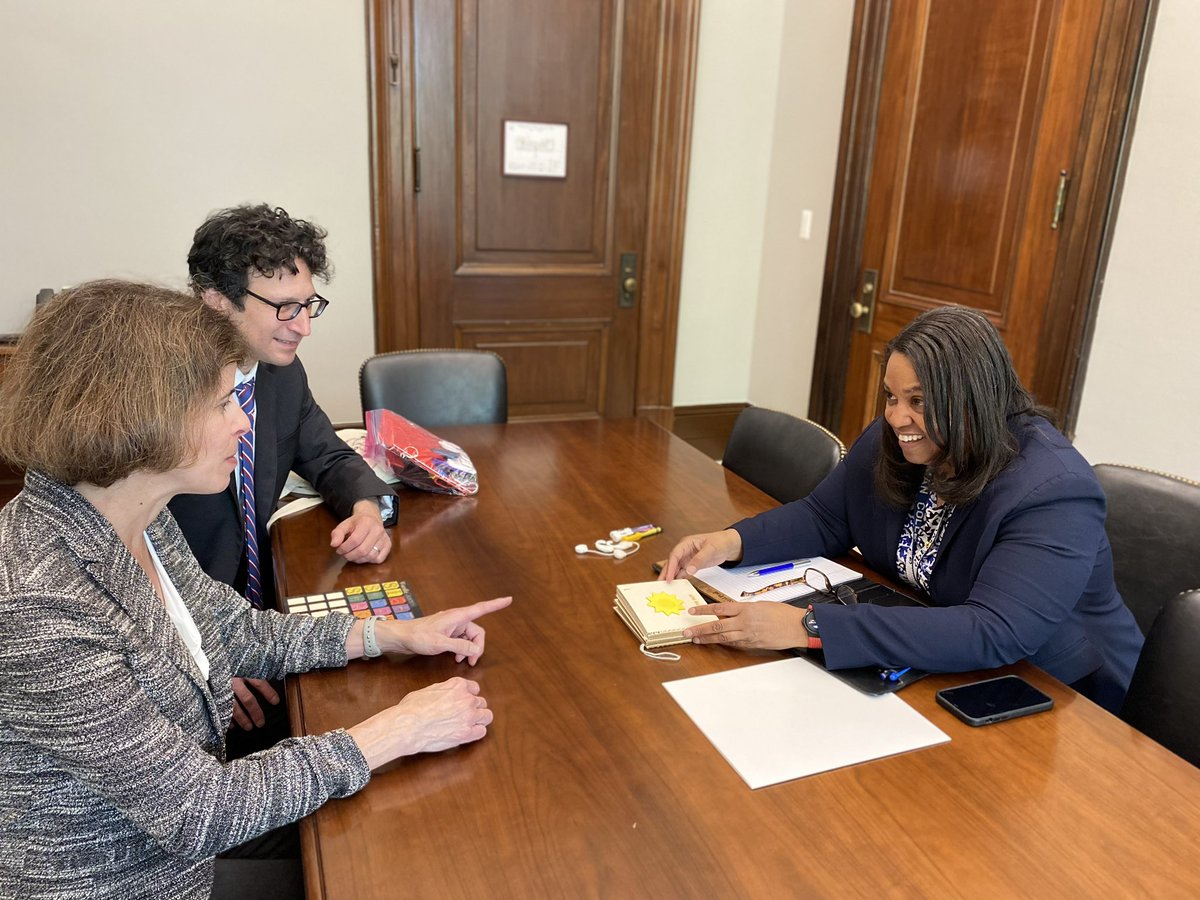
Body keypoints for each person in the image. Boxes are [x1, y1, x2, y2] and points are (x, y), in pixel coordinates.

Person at [0, 281, 511, 900]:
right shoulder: (37, 603)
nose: (243, 421)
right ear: (141, 422)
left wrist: (387, 633)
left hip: (183, 844)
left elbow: (233, 630)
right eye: (222, 404)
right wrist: (394, 731)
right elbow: (198, 812)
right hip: (135, 879)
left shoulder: (136, 511)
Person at [662, 305, 1143, 713]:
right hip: (932, 653)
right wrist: (731, 543)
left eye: (917, 400)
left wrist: (806, 626)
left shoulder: (1053, 491)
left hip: (1058, 695)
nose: (895, 417)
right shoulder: (901, 436)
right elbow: (827, 516)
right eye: (891, 397)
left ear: (971, 399)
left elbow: (994, 630)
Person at [170, 204, 397, 744]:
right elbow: (127, 557)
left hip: (262, 618)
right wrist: (202, 658)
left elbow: (328, 455)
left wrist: (369, 507)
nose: (304, 327)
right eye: (285, 308)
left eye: (309, 304)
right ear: (216, 303)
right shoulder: (165, 397)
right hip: (190, 647)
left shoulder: (280, 372)